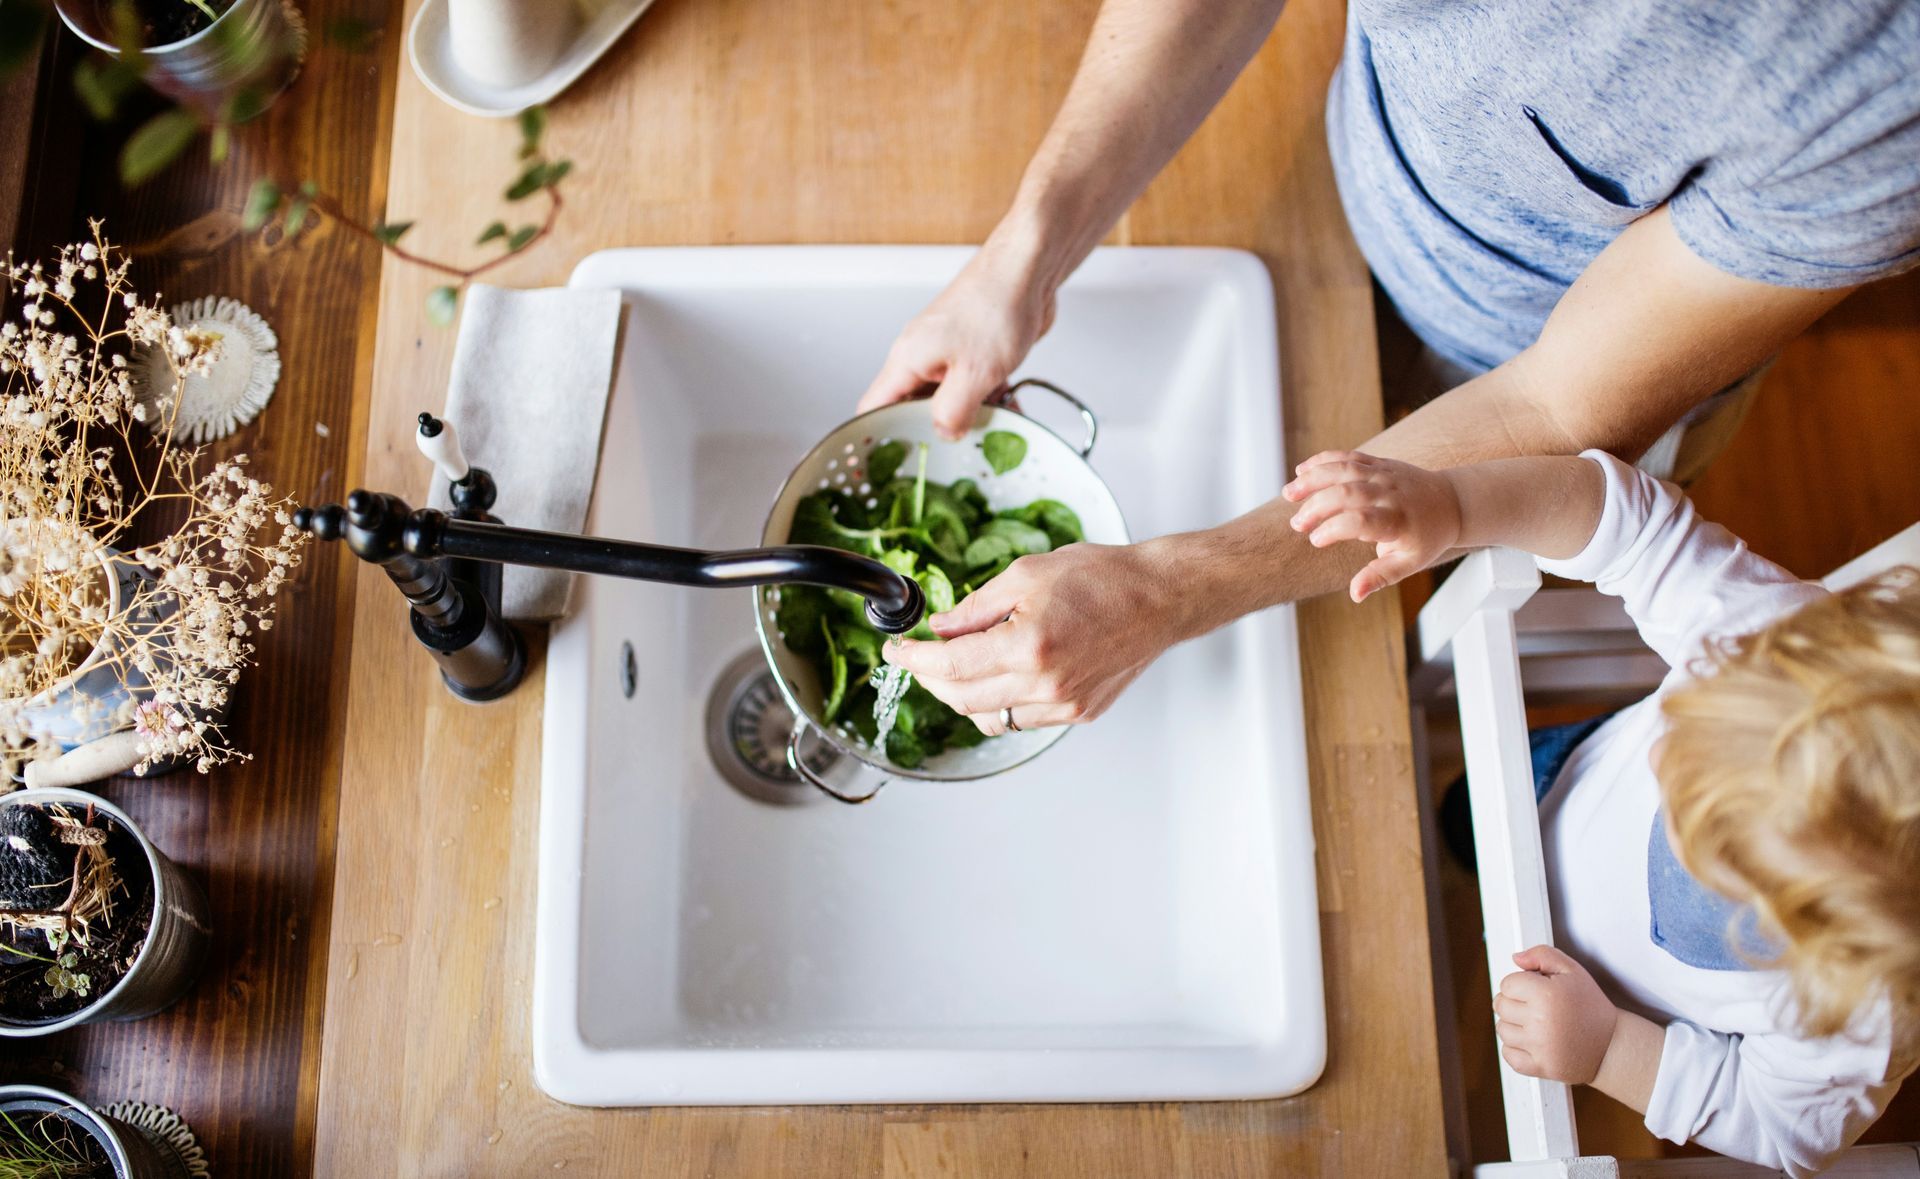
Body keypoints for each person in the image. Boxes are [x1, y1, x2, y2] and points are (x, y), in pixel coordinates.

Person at [863, 0, 1920, 735]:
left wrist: (1166, 589)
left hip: (1517, 384)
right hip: (1341, 189)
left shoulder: (1882, 91)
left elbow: (1557, 402)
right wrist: (1025, 257)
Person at [1280, 444, 1919, 1174]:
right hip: (1556, 781)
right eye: (1688, 730)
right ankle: (1460, 840)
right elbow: (1632, 524)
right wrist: (1454, 505)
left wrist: (1613, 1048)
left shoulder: (1860, 1015)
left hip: (1599, 995)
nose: (1659, 759)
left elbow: (1780, 1126)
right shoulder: (1767, 643)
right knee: (1455, 816)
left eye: (1703, 829)